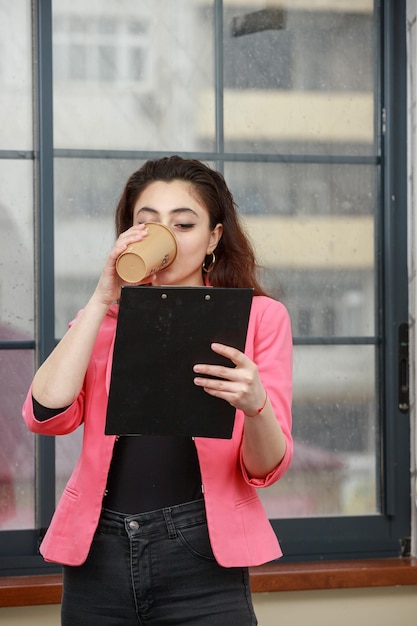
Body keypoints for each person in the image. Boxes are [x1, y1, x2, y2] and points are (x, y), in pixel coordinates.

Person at [22, 156, 293, 625]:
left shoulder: (261, 319)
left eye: (183, 224)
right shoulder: (105, 318)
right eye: (146, 223)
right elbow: (45, 412)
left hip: (203, 551)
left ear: (213, 238)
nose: (163, 236)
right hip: (98, 551)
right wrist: (102, 297)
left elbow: (265, 467)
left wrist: (256, 407)